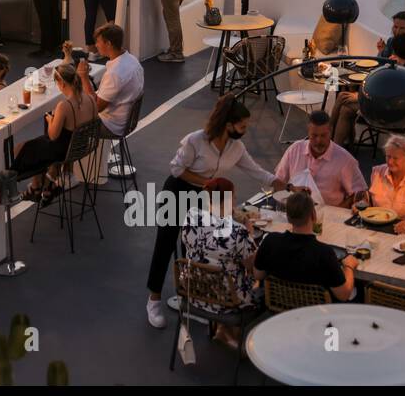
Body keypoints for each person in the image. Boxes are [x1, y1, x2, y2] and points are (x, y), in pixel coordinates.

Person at [145, 95, 270, 328]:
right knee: (165, 244)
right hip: (178, 191)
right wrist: (206, 183)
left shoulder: (237, 147)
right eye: (242, 125)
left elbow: (258, 172)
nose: (246, 129)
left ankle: (189, 298)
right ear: (229, 125)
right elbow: (176, 169)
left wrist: (285, 184)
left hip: (203, 196)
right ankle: (153, 301)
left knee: (194, 248)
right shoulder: (196, 141)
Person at [180, 176, 258, 346]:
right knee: (257, 281)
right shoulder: (239, 232)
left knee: (221, 267)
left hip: (194, 291)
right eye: (234, 197)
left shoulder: (191, 216)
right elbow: (251, 266)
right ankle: (230, 330)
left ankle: (224, 330)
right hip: (227, 300)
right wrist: (250, 234)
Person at [10, 63, 98, 205]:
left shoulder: (64, 106)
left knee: (21, 148)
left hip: (63, 151)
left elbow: (52, 136)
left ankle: (30, 187)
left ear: (61, 83)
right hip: (81, 147)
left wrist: (51, 119)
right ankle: (39, 185)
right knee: (35, 144)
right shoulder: (90, 99)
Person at [253, 190, 358, 301]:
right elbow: (344, 295)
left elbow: (258, 275)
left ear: (288, 217)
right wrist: (349, 266)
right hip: (315, 314)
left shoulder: (271, 241)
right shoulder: (323, 253)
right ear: (313, 215)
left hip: (281, 306)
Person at [330, 33, 405, 146]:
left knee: (344, 102)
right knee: (344, 102)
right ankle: (336, 142)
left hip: (392, 113)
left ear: (394, 51)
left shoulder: (397, 71)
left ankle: (331, 142)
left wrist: (359, 96)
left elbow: (387, 93)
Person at [271, 110, 367, 208]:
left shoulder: (345, 159)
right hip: (294, 213)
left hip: (328, 219)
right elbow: (278, 182)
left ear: (330, 132)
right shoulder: (294, 150)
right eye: (314, 135)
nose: (319, 141)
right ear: (308, 132)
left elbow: (360, 193)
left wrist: (336, 211)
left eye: (323, 135)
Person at [77, 23, 144, 138]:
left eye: (98, 42)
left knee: (64, 116)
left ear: (108, 44)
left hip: (111, 125)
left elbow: (96, 107)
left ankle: (68, 154)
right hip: (125, 120)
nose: (96, 45)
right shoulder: (132, 60)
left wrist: (84, 77)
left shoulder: (115, 73)